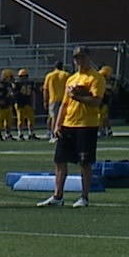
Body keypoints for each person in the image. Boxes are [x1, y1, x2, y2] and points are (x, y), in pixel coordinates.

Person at [37, 46, 107, 209]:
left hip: (86, 124)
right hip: (69, 123)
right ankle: (58, 195)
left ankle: (84, 196)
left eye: (82, 57)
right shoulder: (71, 78)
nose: (80, 61)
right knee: (60, 160)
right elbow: (64, 103)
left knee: (85, 162)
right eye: (77, 58)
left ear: (88, 58)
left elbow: (96, 101)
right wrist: (57, 123)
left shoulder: (95, 78)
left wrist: (78, 96)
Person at [42, 61, 69, 142]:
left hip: (53, 99)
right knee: (64, 117)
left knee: (54, 117)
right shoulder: (66, 75)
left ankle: (53, 134)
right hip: (64, 98)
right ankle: (62, 133)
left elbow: (45, 89)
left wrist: (45, 101)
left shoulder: (49, 76)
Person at [13, 69, 38, 140]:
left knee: (31, 119)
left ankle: (31, 133)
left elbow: (33, 93)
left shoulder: (31, 83)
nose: (23, 78)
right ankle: (20, 134)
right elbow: (14, 95)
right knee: (20, 120)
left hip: (28, 103)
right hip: (20, 103)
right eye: (22, 77)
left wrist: (33, 103)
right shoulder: (16, 84)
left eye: (24, 76)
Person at [0, 70, 16, 141]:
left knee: (9, 121)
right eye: (10, 77)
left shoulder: (9, 84)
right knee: (0, 121)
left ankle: (8, 134)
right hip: (1, 106)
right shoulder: (0, 85)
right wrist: (0, 101)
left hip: (8, 104)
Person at [98, 65, 114, 137]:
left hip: (104, 102)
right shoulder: (102, 81)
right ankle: (107, 130)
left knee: (102, 117)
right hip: (103, 101)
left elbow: (108, 91)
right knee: (104, 117)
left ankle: (102, 131)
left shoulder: (106, 82)